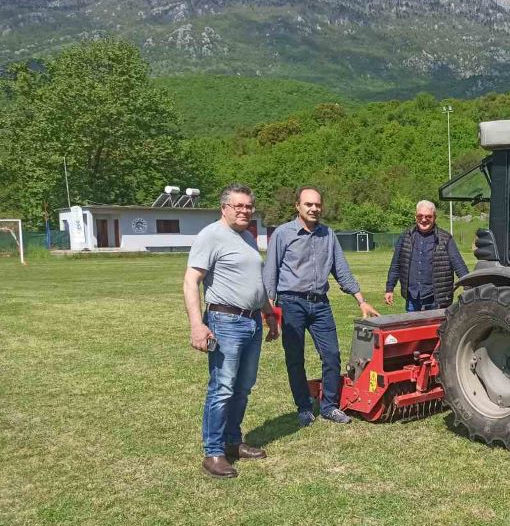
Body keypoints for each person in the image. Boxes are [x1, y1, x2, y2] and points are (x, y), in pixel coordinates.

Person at [184, 183, 280, 479]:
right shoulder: (211, 235)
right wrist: (197, 324)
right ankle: (213, 453)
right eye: (238, 206)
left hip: (251, 321)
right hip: (225, 322)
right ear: (224, 208)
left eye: (249, 206)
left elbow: (256, 282)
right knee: (222, 387)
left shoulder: (248, 237)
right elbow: (191, 282)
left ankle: (233, 442)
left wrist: (268, 314)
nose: (244, 211)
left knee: (243, 386)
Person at [263, 186, 380, 428]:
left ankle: (329, 406)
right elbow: (270, 273)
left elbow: (342, 271)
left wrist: (361, 299)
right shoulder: (283, 234)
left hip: (320, 305)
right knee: (295, 358)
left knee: (332, 356)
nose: (314, 208)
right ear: (298, 206)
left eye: (317, 204)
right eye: (308, 204)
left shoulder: (328, 235)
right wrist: (270, 310)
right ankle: (304, 408)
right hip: (291, 303)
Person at [384, 200, 469, 311]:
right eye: (420, 216)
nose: (424, 220)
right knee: (414, 328)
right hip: (412, 298)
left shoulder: (445, 238)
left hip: (436, 300)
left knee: (438, 329)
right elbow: (396, 265)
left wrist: (469, 287)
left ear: (434, 217)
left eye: (428, 216)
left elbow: (458, 264)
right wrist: (389, 289)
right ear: (416, 217)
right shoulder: (405, 237)